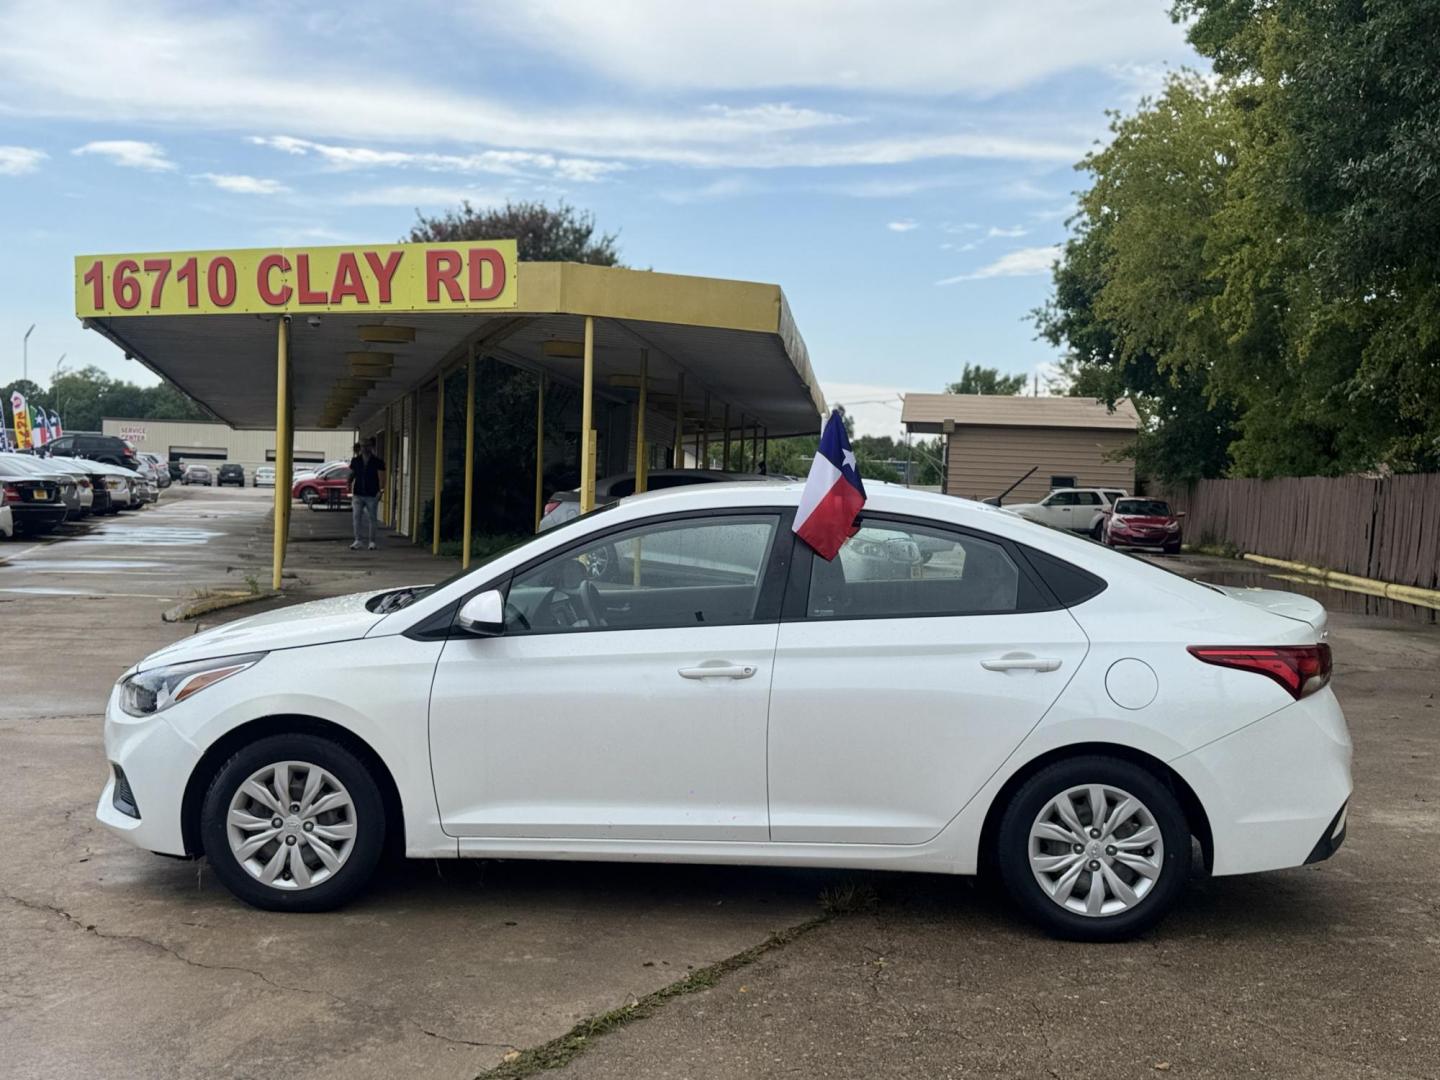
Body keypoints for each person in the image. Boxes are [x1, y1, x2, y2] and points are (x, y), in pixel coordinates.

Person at [348, 437, 385, 551]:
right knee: (356, 517)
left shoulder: (377, 461)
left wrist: (381, 491)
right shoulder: (356, 461)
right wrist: (348, 483)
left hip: (372, 494)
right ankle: (358, 540)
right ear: (360, 447)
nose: (365, 448)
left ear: (371, 447)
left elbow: (382, 477)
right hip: (358, 493)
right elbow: (352, 473)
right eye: (363, 446)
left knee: (372, 518)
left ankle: (372, 542)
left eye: (367, 446)